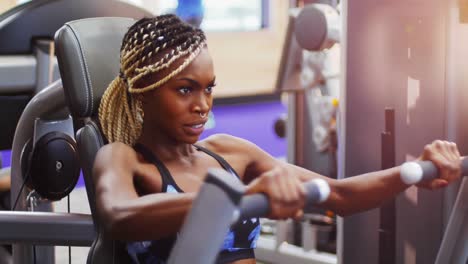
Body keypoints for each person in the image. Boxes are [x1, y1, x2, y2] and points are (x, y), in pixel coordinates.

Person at [93, 14, 462, 264]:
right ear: (143, 92)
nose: (202, 105)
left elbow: (340, 196)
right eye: (185, 90)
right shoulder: (123, 158)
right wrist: (240, 198)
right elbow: (120, 218)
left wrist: (416, 170)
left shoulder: (228, 152)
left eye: (209, 89)